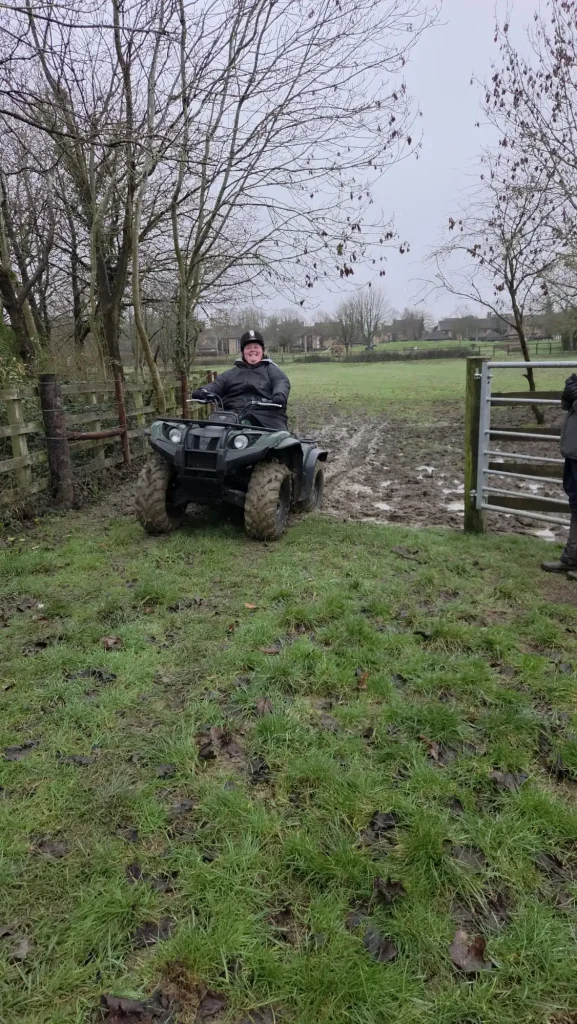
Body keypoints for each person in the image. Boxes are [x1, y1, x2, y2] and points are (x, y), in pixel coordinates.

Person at [191, 329, 290, 431]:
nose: (252, 350)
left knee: (280, 438)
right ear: (243, 352)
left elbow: (281, 382)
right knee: (208, 433)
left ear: (262, 350)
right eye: (248, 348)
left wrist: (279, 394)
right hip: (232, 416)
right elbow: (216, 385)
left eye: (256, 347)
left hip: (266, 416)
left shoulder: (272, 370)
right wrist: (204, 391)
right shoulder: (231, 373)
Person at [542, 373, 577, 577]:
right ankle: (571, 558)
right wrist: (568, 395)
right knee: (576, 504)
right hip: (573, 453)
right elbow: (566, 406)